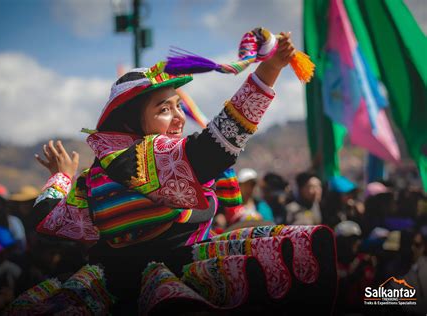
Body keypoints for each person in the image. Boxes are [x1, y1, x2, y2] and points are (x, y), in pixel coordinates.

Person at [31, 32, 337, 315]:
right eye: (164, 109)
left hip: (107, 291)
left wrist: (62, 176)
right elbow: (216, 147)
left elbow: (47, 218)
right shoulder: (144, 158)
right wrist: (268, 72)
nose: (179, 117)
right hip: (171, 287)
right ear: (131, 123)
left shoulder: (93, 177)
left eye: (178, 106)